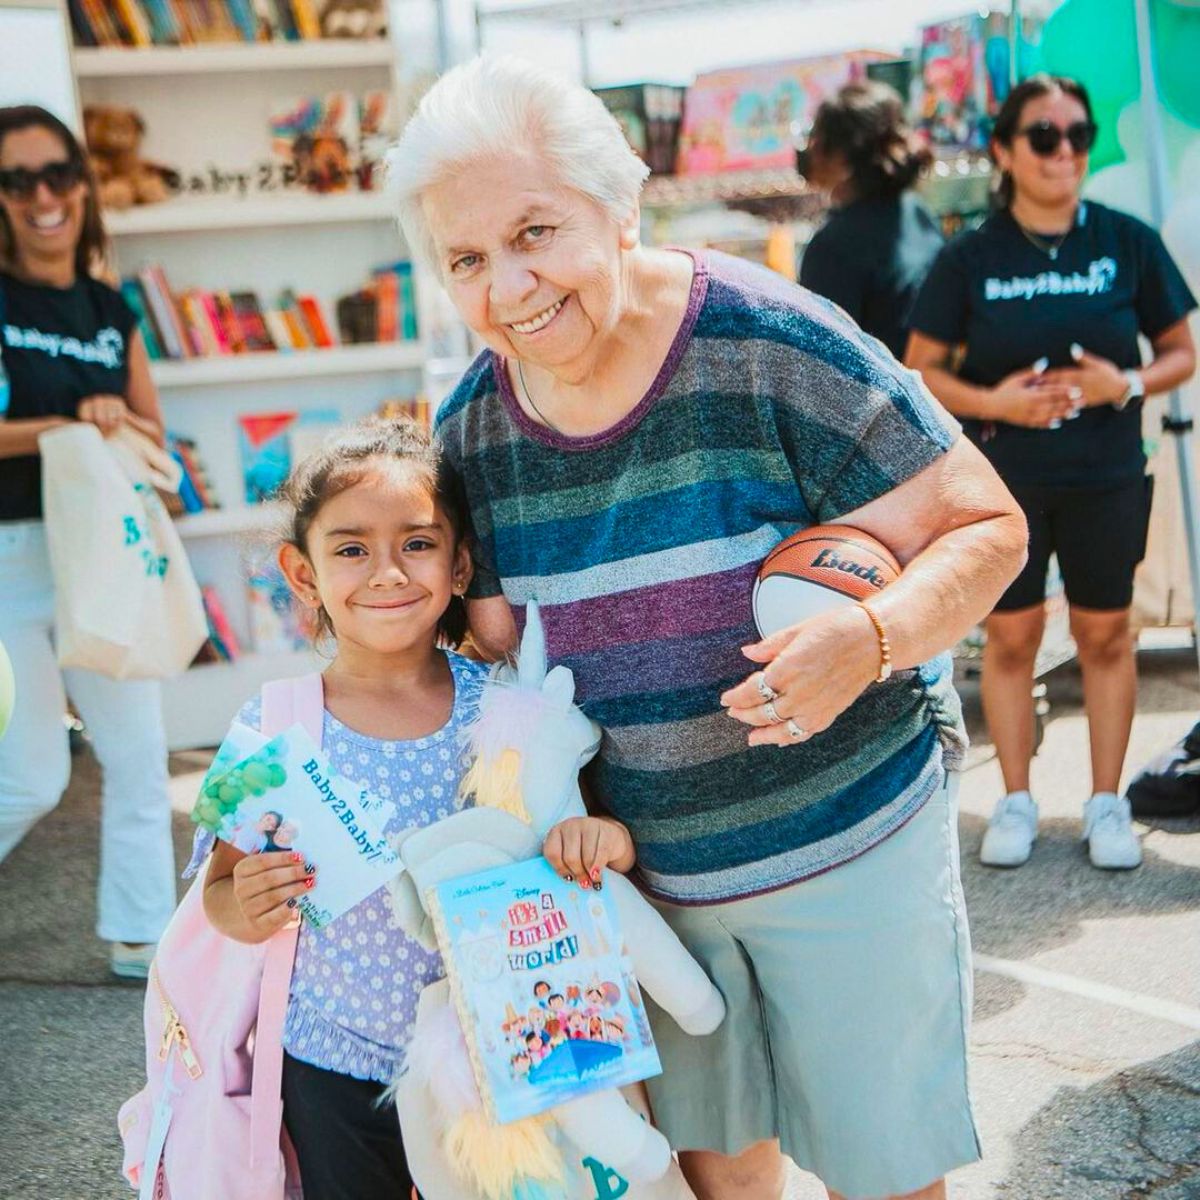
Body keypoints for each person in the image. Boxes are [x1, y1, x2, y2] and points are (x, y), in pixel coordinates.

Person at [389, 56, 1028, 1200]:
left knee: (887, 1181)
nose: (510, 285)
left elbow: (985, 525)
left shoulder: (767, 339)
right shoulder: (472, 433)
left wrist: (873, 637)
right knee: (724, 1186)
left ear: (620, 205)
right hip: (650, 888)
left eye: (537, 231)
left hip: (849, 843)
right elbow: (485, 656)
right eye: (468, 259)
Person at [906, 74, 1197, 872]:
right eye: (1043, 135)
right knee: (1012, 640)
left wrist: (1124, 383)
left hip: (1107, 473)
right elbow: (919, 372)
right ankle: (1016, 799)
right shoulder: (969, 257)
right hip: (1005, 486)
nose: (1064, 151)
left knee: (1109, 635)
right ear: (1004, 149)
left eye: (1077, 134)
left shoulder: (1125, 240)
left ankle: (1106, 803)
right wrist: (993, 398)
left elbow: (1181, 352)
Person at [200, 416, 487, 1200]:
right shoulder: (274, 724)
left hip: (487, 1056)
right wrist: (247, 906)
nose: (388, 571)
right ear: (302, 573)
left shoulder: (503, 712)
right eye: (352, 548)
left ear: (460, 564)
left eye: (418, 544)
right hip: (329, 1060)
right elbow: (217, 896)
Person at [0, 105, 176, 979]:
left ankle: (143, 937)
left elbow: (151, 428)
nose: (42, 195)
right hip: (11, 557)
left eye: (57, 173)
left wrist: (113, 421)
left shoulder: (111, 307)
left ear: (81, 184)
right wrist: (68, 423)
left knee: (140, 753)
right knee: (30, 775)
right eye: (17, 178)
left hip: (101, 553)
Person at [798, 79, 944, 359]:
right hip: (930, 397)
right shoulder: (918, 213)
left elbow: (822, 366)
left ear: (840, 157)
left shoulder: (832, 248)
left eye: (814, 138)